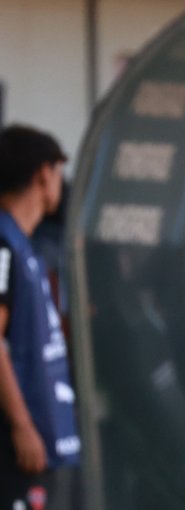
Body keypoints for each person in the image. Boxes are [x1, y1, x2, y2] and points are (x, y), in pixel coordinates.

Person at [0, 126, 80, 510]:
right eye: (59, 171)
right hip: (16, 443)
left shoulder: (22, 243)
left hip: (43, 434)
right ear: (43, 174)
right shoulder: (3, 243)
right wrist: (21, 425)